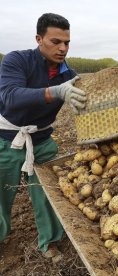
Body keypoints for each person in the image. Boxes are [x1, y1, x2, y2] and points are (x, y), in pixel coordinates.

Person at [0, 13, 87, 257]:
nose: (62, 48)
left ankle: (49, 241)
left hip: (41, 140)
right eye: (55, 41)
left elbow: (90, 102)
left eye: (67, 42)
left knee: (49, 194)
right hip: (7, 139)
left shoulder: (69, 74)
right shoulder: (17, 60)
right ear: (39, 38)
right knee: (0, 195)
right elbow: (11, 96)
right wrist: (55, 92)